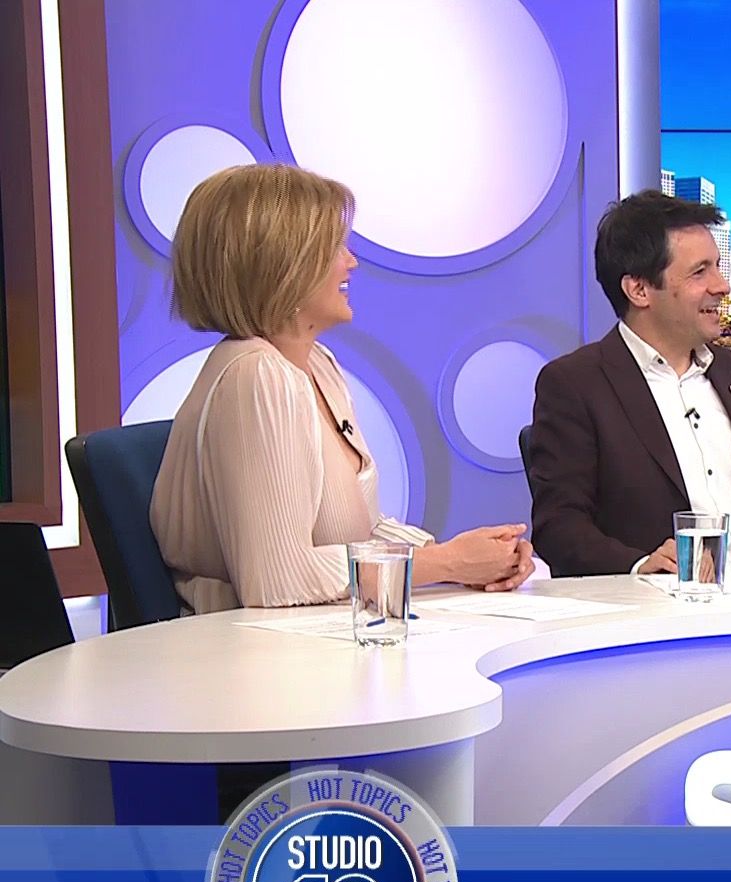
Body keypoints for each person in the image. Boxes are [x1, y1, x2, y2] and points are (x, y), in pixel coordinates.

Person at [152, 164, 533, 613]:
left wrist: (472, 556)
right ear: (281, 264)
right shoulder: (255, 377)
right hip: (247, 648)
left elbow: (356, 530)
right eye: (334, 247)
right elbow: (277, 580)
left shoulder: (317, 364)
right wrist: (442, 563)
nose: (351, 261)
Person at [527, 191, 731, 575]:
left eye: (717, 267)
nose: (722, 286)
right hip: (665, 603)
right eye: (699, 272)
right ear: (639, 290)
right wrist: (641, 565)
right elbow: (559, 528)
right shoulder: (575, 385)